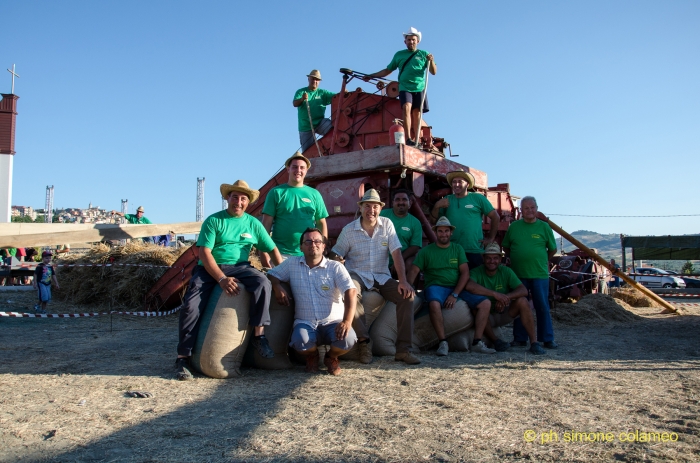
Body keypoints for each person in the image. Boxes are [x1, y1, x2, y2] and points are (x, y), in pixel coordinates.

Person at [175, 180, 284, 381]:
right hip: (210, 268)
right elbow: (204, 253)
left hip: (241, 266)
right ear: (228, 198)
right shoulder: (214, 220)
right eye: (235, 197)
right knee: (191, 306)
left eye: (243, 198)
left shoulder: (253, 223)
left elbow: (271, 249)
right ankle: (182, 358)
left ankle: (259, 336)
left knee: (262, 283)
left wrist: (284, 274)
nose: (239, 202)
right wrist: (222, 279)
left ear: (248, 202)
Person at [330, 189, 419, 365]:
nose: (372, 210)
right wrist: (336, 260)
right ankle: (364, 343)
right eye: (367, 206)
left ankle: (403, 350)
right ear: (361, 208)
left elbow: (396, 253)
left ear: (380, 209)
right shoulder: (349, 230)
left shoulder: (387, 225)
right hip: (357, 273)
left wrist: (403, 281)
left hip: (381, 275)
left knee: (407, 298)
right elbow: (335, 252)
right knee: (350, 294)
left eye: (375, 206)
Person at [268, 228, 357, 376]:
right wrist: (276, 286)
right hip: (306, 321)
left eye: (317, 241)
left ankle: (331, 357)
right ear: (301, 247)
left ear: (324, 246)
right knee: (299, 342)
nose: (313, 244)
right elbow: (272, 274)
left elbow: (351, 291)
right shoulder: (292, 264)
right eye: (308, 241)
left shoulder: (335, 267)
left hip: (333, 322)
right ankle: (312, 356)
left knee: (348, 340)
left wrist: (347, 321)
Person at [406, 217, 495, 357]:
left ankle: (477, 342)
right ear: (436, 232)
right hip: (436, 287)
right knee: (434, 304)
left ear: (451, 232)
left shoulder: (457, 249)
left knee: (485, 303)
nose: (443, 234)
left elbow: (465, 273)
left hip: (456, 286)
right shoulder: (426, 251)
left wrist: (455, 294)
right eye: (440, 231)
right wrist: (408, 286)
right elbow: (414, 270)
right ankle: (443, 342)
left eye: (446, 231)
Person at [466, 243, 546, 355]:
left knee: (523, 301)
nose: (491, 261)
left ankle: (534, 342)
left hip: (503, 312)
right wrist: (495, 294)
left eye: (495, 258)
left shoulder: (506, 272)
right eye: (488, 258)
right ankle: (496, 341)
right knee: (475, 307)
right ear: (483, 258)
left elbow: (523, 290)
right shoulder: (476, 272)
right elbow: (469, 286)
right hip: (485, 314)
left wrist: (506, 297)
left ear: (500, 259)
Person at [364, 27, 437, 146]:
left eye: (413, 39)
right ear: (405, 41)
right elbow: (388, 70)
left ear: (417, 41)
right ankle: (408, 138)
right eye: (409, 40)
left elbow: (433, 72)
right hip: (404, 87)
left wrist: (432, 61)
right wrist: (371, 76)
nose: (411, 42)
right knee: (406, 108)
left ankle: (417, 139)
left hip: (419, 87)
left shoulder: (424, 54)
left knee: (417, 112)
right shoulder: (399, 55)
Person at [502, 196, 558, 349]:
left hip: (539, 274)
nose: (529, 211)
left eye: (532, 207)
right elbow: (506, 246)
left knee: (542, 306)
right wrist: (515, 256)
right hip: (518, 275)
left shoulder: (544, 227)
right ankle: (520, 338)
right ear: (521, 210)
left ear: (537, 208)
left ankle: (547, 338)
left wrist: (540, 259)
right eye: (526, 208)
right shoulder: (514, 227)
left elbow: (552, 249)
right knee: (520, 305)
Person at [260, 152, 328, 265]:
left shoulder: (315, 194)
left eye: (302, 168)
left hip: (308, 255)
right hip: (279, 255)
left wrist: (322, 247)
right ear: (288, 169)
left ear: (306, 171)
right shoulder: (276, 193)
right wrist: (264, 252)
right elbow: (266, 224)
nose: (298, 170)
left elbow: (321, 223)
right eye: (294, 167)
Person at [431, 170, 500, 269]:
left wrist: (491, 238)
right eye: (454, 182)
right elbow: (434, 222)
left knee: (474, 281)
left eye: (460, 182)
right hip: (453, 249)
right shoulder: (446, 200)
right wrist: (437, 206)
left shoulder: (478, 198)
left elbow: (495, 217)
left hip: (474, 250)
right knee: (454, 281)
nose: (457, 184)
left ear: (467, 184)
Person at [380, 189, 422, 276]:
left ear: (410, 202)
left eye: (404, 199)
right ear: (392, 202)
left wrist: (399, 260)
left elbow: (415, 246)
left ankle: (409, 287)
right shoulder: (381, 215)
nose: (401, 202)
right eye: (397, 199)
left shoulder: (415, 222)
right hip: (380, 260)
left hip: (402, 260)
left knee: (412, 262)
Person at [293, 70, 336, 152]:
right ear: (308, 79)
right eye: (313, 79)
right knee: (307, 152)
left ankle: (329, 150)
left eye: (317, 79)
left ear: (319, 81)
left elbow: (337, 97)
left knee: (333, 129)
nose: (315, 81)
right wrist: (302, 99)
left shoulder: (323, 93)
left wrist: (344, 92)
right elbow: (295, 103)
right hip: (305, 126)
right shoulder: (301, 92)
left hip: (320, 122)